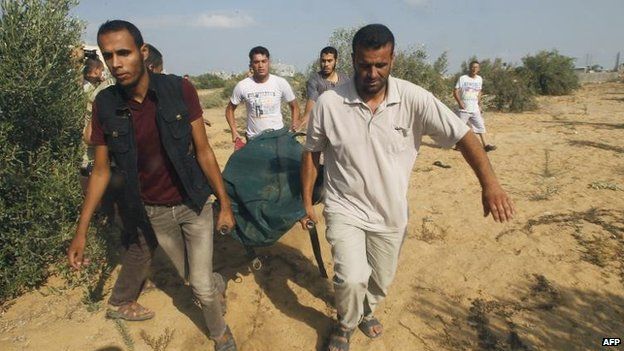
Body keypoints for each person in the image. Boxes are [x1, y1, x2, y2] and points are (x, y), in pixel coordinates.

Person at [300, 24, 515, 351]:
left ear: (393, 60)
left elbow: (465, 137)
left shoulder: (414, 99)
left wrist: (491, 185)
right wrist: (307, 202)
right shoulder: (330, 104)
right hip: (345, 208)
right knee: (351, 277)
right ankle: (344, 324)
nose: (372, 73)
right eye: (364, 64)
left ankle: (366, 311)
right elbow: (312, 153)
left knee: (380, 281)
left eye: (380, 65)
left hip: (391, 213)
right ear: (353, 60)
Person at [67, 20, 237, 351]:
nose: (116, 63)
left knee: (199, 287)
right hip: (155, 212)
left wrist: (225, 204)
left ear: (143, 53)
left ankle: (221, 335)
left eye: (124, 53)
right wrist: (81, 230)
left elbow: (203, 151)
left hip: (194, 202)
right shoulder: (105, 104)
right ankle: (217, 283)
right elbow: (100, 172)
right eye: (108, 55)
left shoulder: (179, 89)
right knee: (193, 278)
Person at [225, 46, 300, 144]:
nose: (260, 65)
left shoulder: (280, 83)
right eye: (256, 62)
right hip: (254, 139)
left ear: (269, 62)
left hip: (278, 137)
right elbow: (229, 109)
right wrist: (234, 132)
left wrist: (293, 125)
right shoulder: (242, 85)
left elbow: (294, 106)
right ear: (251, 64)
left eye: (264, 61)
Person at [300, 46, 349, 128]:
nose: (326, 64)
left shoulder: (346, 80)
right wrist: (302, 122)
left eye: (329, 61)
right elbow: (311, 104)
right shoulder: (314, 81)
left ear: (336, 61)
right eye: (323, 61)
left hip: (343, 124)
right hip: (323, 125)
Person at [453, 60, 496, 152]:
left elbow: (479, 91)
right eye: (472, 67)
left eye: (476, 67)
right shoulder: (463, 78)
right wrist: (460, 102)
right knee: (460, 128)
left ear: (479, 69)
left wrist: (479, 104)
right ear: (469, 68)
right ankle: (457, 145)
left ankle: (485, 145)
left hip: (475, 108)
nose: (474, 69)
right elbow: (455, 91)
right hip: (464, 109)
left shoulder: (479, 79)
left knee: (480, 126)